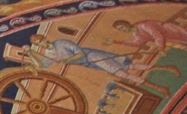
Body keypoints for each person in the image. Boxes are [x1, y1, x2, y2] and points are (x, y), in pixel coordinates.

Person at [26, 34, 173, 94]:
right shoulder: (49, 54)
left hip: (93, 56)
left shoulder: (61, 43)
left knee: (122, 72)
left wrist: (67, 61)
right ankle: (166, 68)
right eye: (38, 45)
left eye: (40, 41)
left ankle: (159, 87)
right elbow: (41, 65)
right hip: (89, 63)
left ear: (44, 39)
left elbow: (80, 53)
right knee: (128, 67)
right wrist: (30, 53)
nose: (41, 45)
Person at [108, 18, 187, 59]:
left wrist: (161, 48)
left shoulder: (144, 25)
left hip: (172, 31)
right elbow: (137, 43)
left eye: (122, 27)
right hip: (167, 38)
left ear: (127, 23)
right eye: (120, 30)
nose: (123, 30)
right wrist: (116, 42)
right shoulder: (136, 34)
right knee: (174, 45)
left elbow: (157, 35)